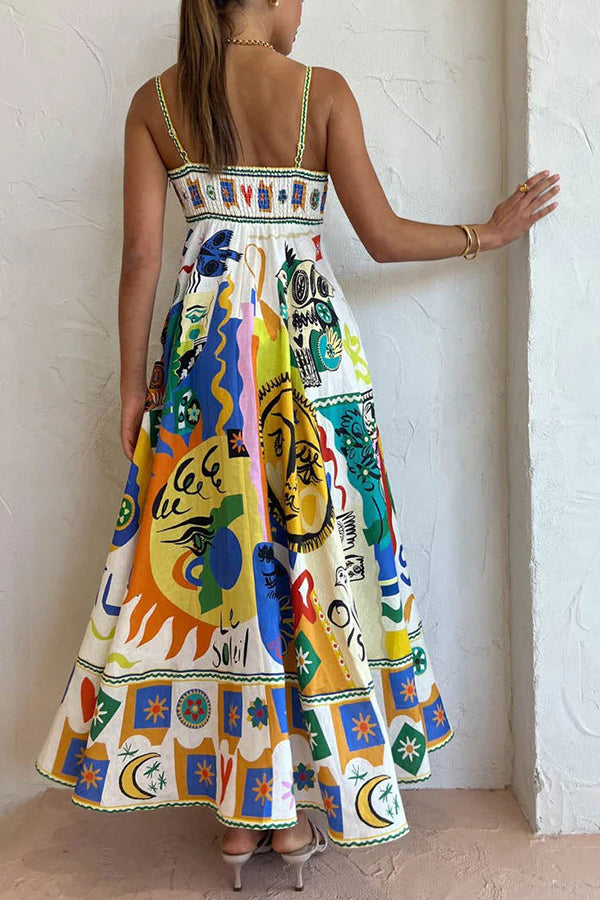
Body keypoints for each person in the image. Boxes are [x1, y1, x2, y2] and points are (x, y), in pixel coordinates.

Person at [35, 0, 560, 892]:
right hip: (311, 366)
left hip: (206, 370)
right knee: (318, 568)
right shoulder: (322, 92)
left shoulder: (156, 102)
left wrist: (129, 389)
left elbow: (140, 260)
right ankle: (293, 812)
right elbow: (383, 237)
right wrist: (490, 232)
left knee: (228, 573)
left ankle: (243, 818)